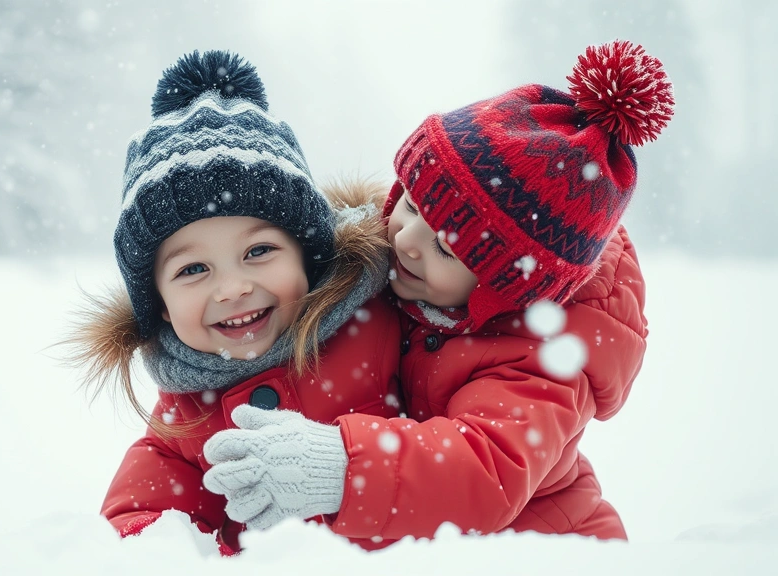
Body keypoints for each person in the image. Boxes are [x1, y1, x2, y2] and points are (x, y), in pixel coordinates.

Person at [202, 40, 674, 547]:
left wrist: (340, 465)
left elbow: (484, 468)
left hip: (545, 553)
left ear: (504, 289)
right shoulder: (400, 280)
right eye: (409, 203)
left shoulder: (541, 362)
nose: (404, 240)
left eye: (446, 249)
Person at [65, 50, 405, 554]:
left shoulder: (385, 322)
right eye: (193, 270)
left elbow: (475, 444)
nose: (232, 289)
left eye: (259, 251)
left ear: (307, 258)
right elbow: (141, 522)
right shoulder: (183, 419)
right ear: (158, 303)